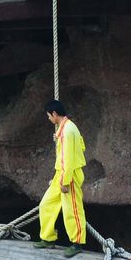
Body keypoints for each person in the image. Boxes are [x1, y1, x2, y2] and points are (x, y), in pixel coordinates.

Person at [37, 98, 89, 246]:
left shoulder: (67, 131)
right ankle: (48, 238)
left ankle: (77, 242)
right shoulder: (68, 128)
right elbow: (81, 147)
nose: (48, 119)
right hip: (61, 174)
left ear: (54, 114)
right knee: (46, 204)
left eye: (49, 116)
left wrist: (64, 181)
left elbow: (68, 159)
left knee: (72, 210)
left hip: (69, 175)